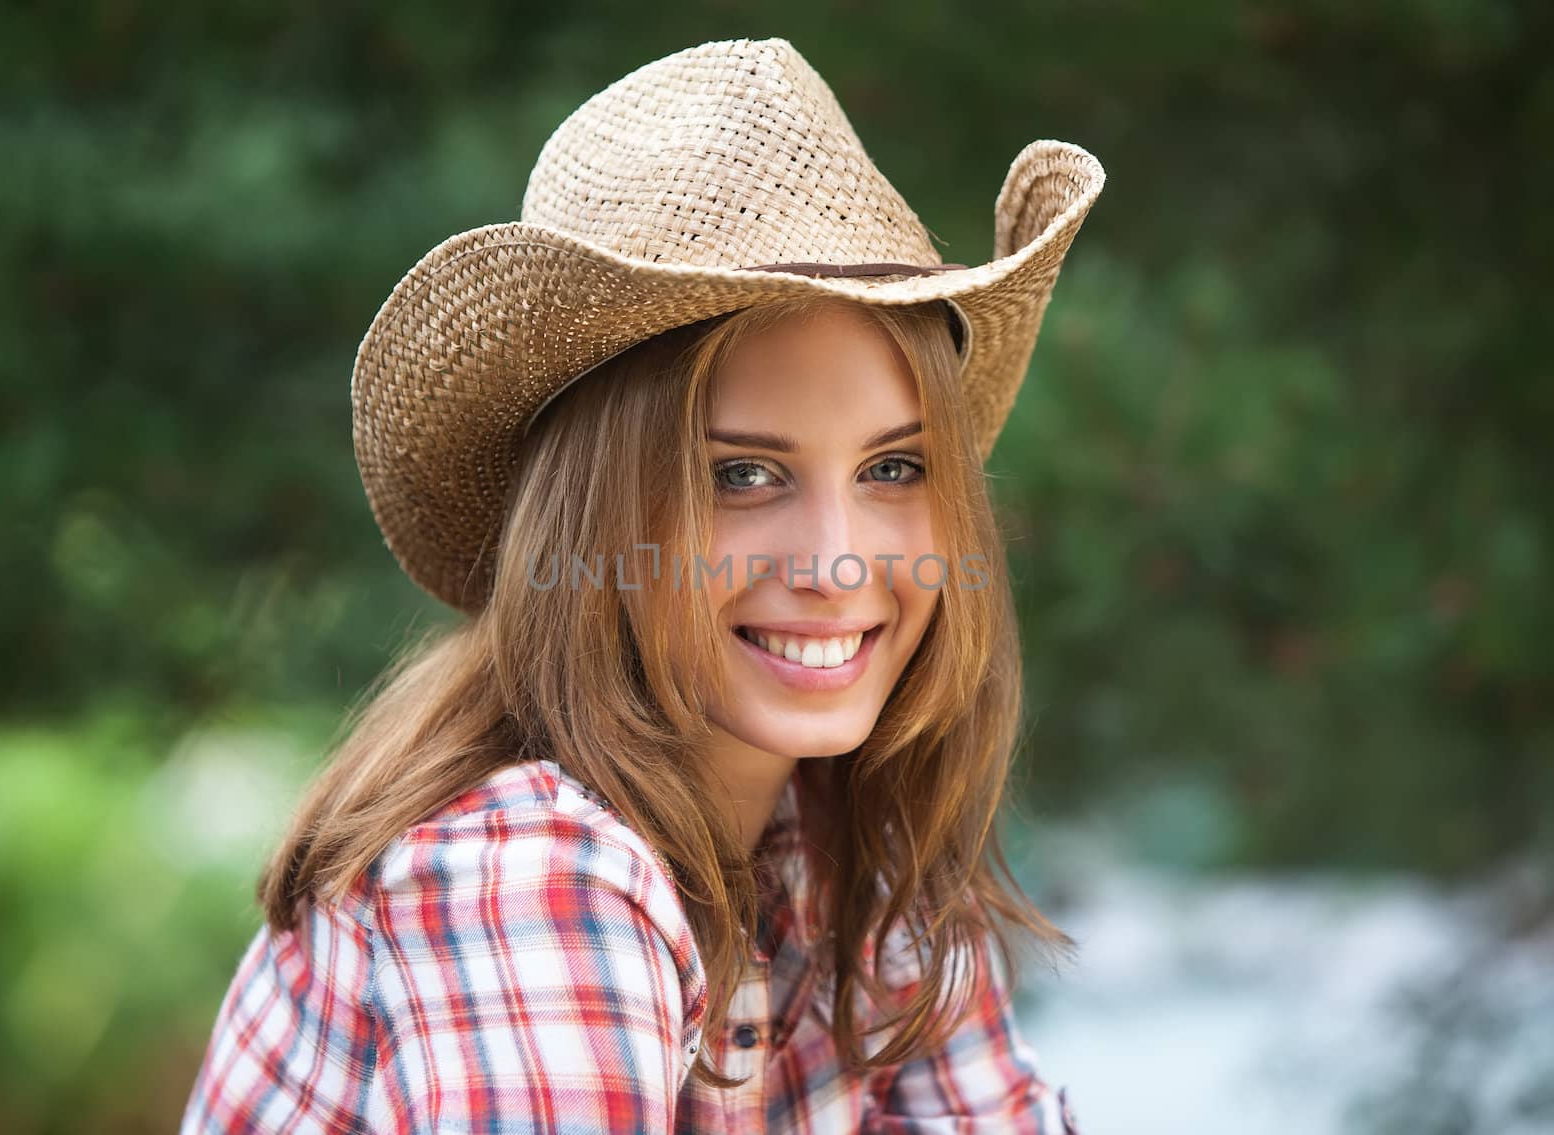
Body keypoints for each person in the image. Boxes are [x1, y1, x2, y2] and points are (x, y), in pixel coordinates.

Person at [180, 36, 1103, 1134]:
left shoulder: (848, 846)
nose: (837, 562)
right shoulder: (532, 871)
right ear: (594, 516)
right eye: (742, 475)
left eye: (892, 468)